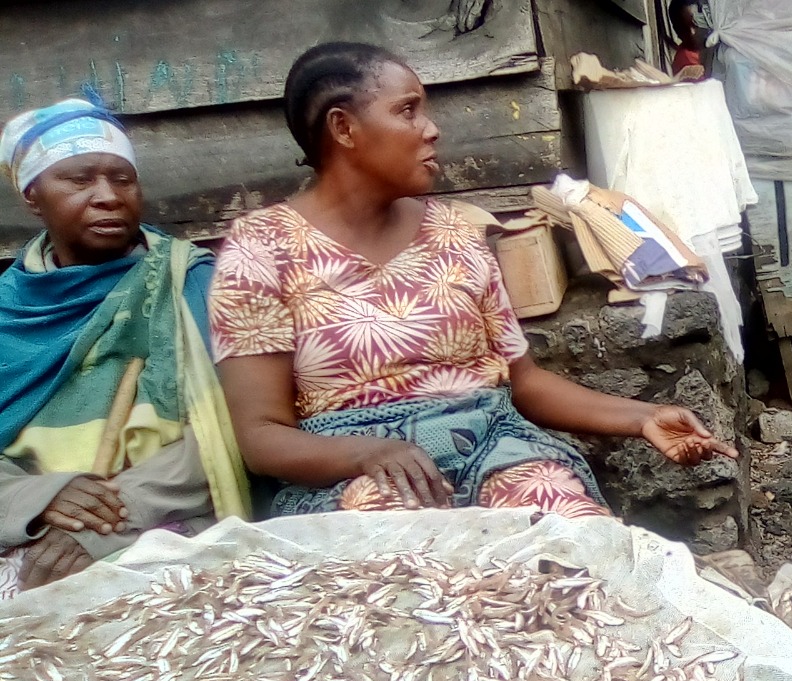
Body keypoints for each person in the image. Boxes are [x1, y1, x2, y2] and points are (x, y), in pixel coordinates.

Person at [209, 43, 735, 519]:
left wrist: (643, 417)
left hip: (490, 446)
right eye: (407, 109)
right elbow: (260, 435)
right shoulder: (262, 249)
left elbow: (523, 382)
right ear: (344, 129)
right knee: (403, 562)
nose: (431, 128)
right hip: (358, 472)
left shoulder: (456, 234)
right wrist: (369, 453)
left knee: (563, 527)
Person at [0, 99, 249, 597]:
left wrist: (119, 511)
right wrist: (38, 497)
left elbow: (241, 423)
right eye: (79, 180)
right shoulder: (8, 311)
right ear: (33, 196)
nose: (108, 197)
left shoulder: (195, 284)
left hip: (170, 524)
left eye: (122, 179)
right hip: (27, 529)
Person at [669, 0, 704, 75]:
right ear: (677, 31)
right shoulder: (686, 59)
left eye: (695, 25)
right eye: (684, 29)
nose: (692, 33)